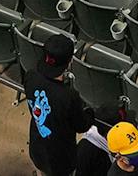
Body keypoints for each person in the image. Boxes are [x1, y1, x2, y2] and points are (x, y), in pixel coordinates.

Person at [25, 31, 98, 176]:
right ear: (69, 61)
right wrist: (90, 113)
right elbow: (81, 125)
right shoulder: (68, 95)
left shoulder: (31, 76)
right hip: (61, 158)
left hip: (37, 146)